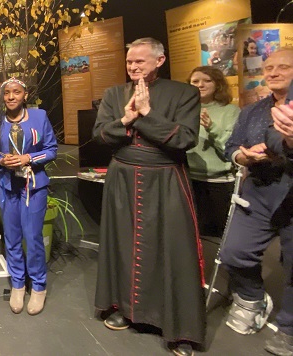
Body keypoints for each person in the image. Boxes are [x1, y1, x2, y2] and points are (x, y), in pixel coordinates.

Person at [92, 38, 204, 356]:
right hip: (122, 179)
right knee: (123, 245)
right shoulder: (115, 94)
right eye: (130, 62)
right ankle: (124, 308)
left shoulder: (185, 93)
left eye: (141, 61)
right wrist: (127, 119)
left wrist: (147, 115)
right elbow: (99, 136)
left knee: (174, 250)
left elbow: (185, 138)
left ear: (160, 60)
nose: (134, 66)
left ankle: (179, 328)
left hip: (166, 180)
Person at [220, 48, 293, 356]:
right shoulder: (252, 110)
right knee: (233, 252)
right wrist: (242, 155)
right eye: (268, 67)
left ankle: (289, 329)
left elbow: (279, 141)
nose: (273, 72)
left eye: (283, 67)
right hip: (259, 189)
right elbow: (232, 144)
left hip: (291, 192)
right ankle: (253, 298)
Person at [0, 77, 58, 316]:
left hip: (32, 185)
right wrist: (1, 160)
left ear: (25, 94)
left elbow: (51, 148)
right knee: (12, 236)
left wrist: (28, 159)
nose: (11, 97)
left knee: (33, 235)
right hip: (6, 184)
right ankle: (17, 283)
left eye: (16, 92)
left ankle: (38, 286)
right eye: (7, 93)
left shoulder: (39, 116)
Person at [186, 66, 240, 238]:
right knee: (194, 235)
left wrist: (211, 128)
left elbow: (230, 148)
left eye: (207, 80)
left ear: (217, 84)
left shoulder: (230, 111)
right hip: (189, 181)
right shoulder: (184, 110)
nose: (200, 85)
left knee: (221, 236)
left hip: (219, 183)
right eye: (195, 81)